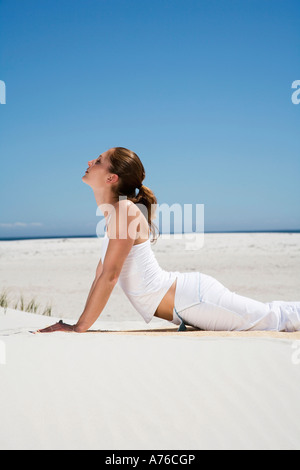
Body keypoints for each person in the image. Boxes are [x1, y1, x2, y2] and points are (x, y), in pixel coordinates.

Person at [37, 147, 300, 334]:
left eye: (98, 160)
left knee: (274, 318)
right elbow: (101, 274)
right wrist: (76, 324)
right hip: (184, 304)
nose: (90, 160)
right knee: (272, 315)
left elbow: (110, 276)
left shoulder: (125, 211)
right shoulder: (114, 214)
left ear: (111, 177)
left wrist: (79, 327)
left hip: (193, 298)